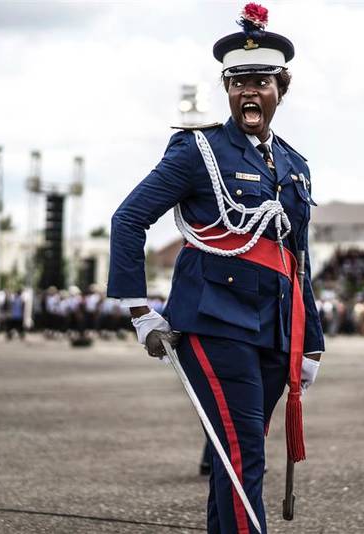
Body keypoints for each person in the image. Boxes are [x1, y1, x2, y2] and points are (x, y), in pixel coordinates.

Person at [107, 4, 324, 533]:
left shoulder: (295, 166)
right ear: (227, 90)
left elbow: (299, 262)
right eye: (239, 83)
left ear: (281, 89)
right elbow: (128, 220)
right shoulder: (197, 150)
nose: (250, 92)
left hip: (274, 332)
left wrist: (311, 341)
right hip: (214, 322)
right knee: (243, 452)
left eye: (261, 82)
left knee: (234, 457)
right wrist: (141, 313)